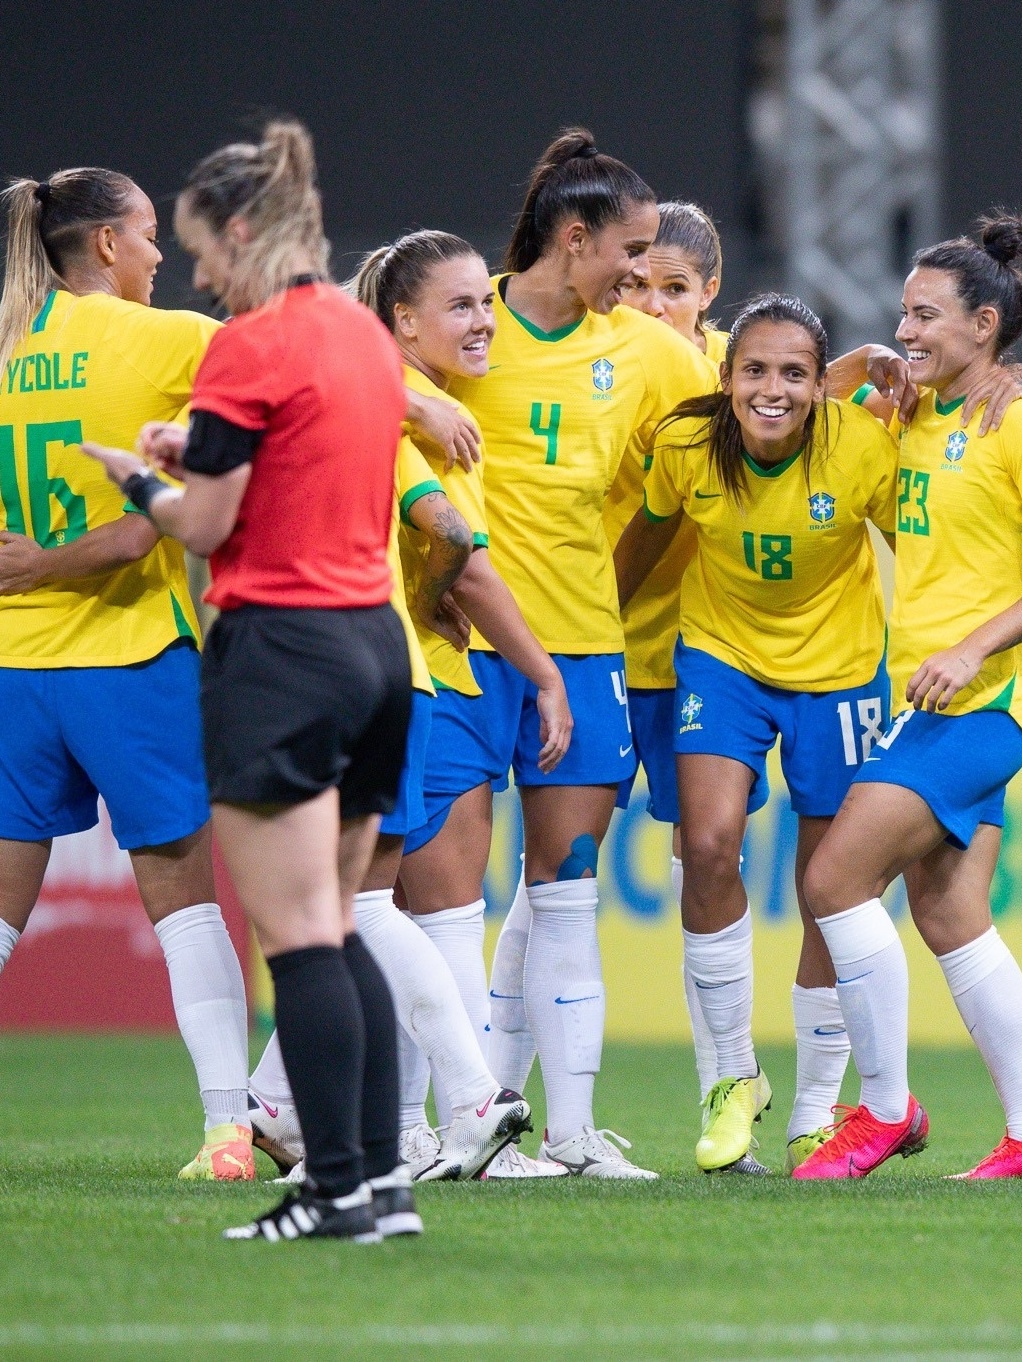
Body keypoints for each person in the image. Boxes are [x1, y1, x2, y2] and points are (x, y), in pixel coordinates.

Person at [85, 120, 421, 1241]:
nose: (198, 275)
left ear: (241, 230)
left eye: (203, 251)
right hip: (375, 645)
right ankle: (378, 1187)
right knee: (339, 921)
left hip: (279, 650)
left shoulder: (248, 343)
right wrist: (204, 454)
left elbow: (209, 525)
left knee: (300, 937)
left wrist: (142, 484)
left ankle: (332, 1194)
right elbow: (308, 466)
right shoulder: (360, 334)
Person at [437, 129, 716, 1179]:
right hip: (460, 647)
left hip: (587, 652)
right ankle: (452, 1124)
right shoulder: (466, 322)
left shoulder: (645, 354)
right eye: (629, 257)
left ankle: (569, 1133)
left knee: (562, 889)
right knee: (439, 897)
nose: (641, 283)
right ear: (572, 237)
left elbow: (736, 430)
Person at [0, 168, 253, 1180]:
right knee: (185, 900)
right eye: (148, 236)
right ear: (106, 245)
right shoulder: (168, 339)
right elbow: (291, 395)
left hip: (14, 664)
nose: (159, 257)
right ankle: (229, 1130)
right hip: (129, 658)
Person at [615, 294, 901, 1174]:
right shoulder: (687, 446)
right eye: (754, 371)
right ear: (727, 377)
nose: (770, 390)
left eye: (792, 374)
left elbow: (926, 552)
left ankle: (814, 1109)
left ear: (821, 387)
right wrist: (580, 645)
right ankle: (732, 1077)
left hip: (840, 673)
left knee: (829, 884)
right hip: (722, 661)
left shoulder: (863, 447)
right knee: (706, 845)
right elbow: (641, 547)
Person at [247, 345, 535, 1184]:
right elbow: (444, 527)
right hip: (394, 668)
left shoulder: (287, 431)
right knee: (356, 905)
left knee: (354, 908)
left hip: (320, 674)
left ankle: (465, 1102)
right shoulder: (384, 429)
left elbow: (447, 529)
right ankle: (294, 1108)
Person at [796, 216, 1022, 1181]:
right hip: (927, 699)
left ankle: (885, 1110)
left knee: (833, 880)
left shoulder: (1013, 420)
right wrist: (854, 373)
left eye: (926, 316)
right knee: (950, 914)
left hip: (985, 702)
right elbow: (805, 436)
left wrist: (973, 649)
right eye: (901, 314)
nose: (908, 330)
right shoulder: (917, 423)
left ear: (984, 324)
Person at [355, 229, 572, 1179]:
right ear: (402, 322)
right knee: (402, 906)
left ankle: (410, 1123)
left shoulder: (431, 407)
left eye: (484, 303)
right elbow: (461, 558)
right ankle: (443, 1116)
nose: (483, 320)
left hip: (427, 675)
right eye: (460, 306)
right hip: (415, 674)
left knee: (384, 904)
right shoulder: (412, 418)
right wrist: (546, 669)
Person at [609, 201, 732, 1116]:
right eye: (640, 284)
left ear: (710, 293)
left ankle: (724, 1093)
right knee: (554, 873)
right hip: (588, 653)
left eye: (676, 289)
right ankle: (508, 1103)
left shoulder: (749, 375)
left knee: (708, 861)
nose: (654, 305)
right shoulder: (590, 362)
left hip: (690, 664)